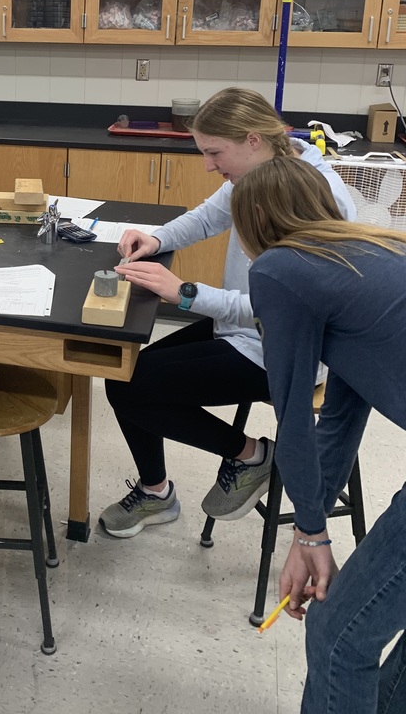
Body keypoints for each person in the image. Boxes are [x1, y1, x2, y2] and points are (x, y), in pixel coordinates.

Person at [98, 87, 356, 538]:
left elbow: (288, 309)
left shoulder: (312, 196)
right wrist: (155, 240)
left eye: (215, 152)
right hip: (242, 329)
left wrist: (185, 293)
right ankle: (157, 492)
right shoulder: (255, 173)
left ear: (253, 140)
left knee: (134, 388)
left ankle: (253, 456)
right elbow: (205, 218)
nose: (209, 165)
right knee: (125, 374)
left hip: (285, 351)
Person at [231, 157, 406, 714]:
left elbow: (292, 415)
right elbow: (339, 416)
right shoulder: (374, 249)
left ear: (256, 215)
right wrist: (308, 534)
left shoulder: (282, 269)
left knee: (339, 636)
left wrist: (311, 534)